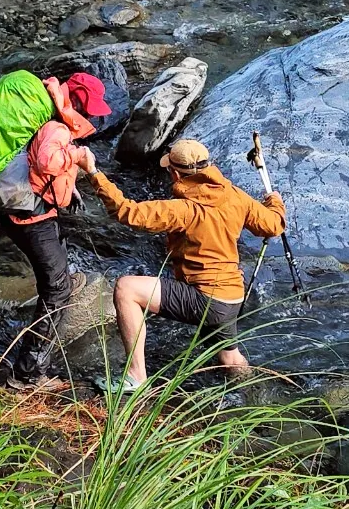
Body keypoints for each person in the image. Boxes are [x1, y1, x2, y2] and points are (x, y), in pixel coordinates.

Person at [78, 138, 286, 392]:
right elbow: (274, 225)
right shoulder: (234, 195)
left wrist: (92, 172)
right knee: (229, 358)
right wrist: (274, 200)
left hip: (205, 299)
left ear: (176, 173)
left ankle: (136, 376)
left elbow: (127, 212)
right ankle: (255, 392)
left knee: (126, 288)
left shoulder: (184, 209)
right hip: (231, 298)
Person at [0, 72, 112, 391]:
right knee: (57, 290)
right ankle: (27, 374)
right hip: (29, 216)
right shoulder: (55, 126)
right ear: (77, 103)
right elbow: (47, 160)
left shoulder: (50, 118)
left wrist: (69, 187)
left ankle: (62, 277)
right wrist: (79, 157)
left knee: (57, 257)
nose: (92, 118)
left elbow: (40, 165)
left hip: (27, 208)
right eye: (90, 111)